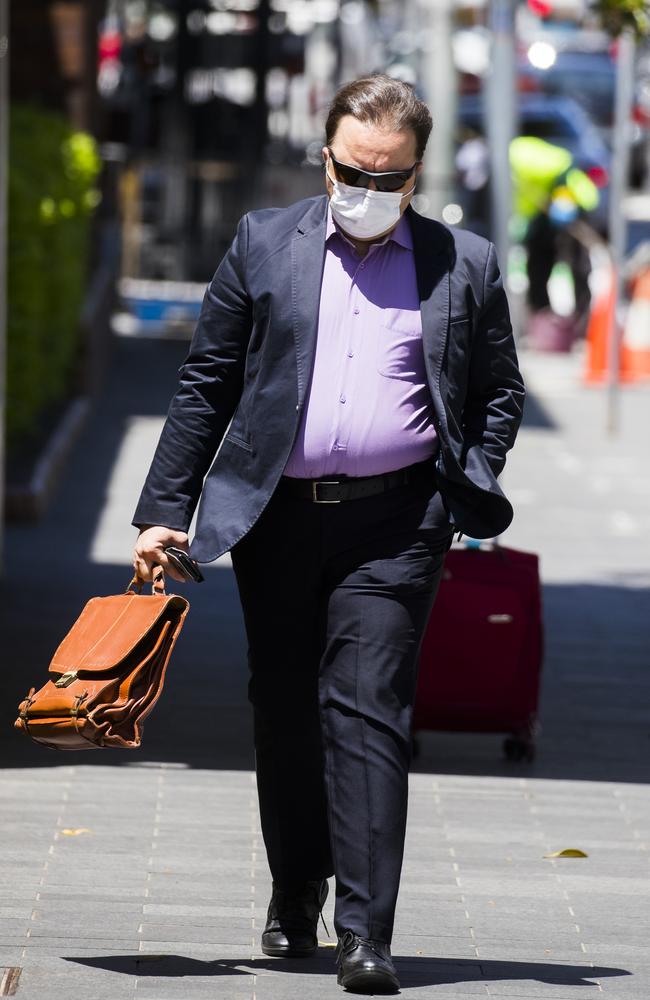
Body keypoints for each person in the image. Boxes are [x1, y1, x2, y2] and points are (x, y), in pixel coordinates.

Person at [132, 74, 525, 995]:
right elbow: (208, 382)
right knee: (284, 709)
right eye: (355, 170)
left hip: (396, 524)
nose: (369, 190)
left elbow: (497, 391)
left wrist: (467, 477)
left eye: (389, 178)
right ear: (327, 155)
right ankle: (294, 883)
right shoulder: (264, 244)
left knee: (369, 710)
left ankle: (365, 932)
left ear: (416, 174)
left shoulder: (462, 264)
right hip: (273, 517)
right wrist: (164, 509)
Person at [509, 135, 600, 320]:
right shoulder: (516, 155)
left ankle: (582, 317)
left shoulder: (518, 155)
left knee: (578, 263)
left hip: (572, 204)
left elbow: (563, 168)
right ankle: (542, 314)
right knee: (538, 262)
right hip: (545, 211)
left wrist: (563, 199)